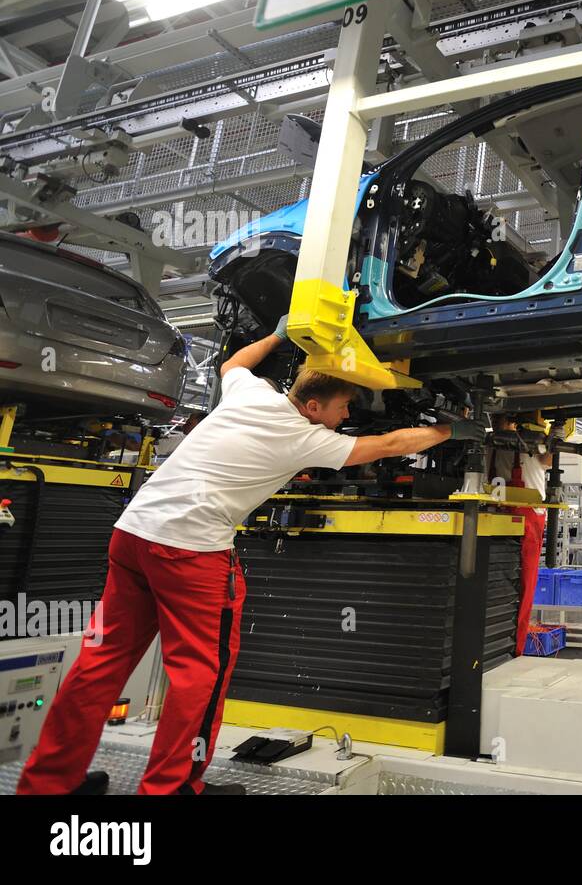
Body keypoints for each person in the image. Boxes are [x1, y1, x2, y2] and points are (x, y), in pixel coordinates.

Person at [18, 317, 485, 795]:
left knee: (101, 661)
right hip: (190, 552)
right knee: (199, 675)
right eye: (343, 406)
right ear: (311, 405)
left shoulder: (250, 392)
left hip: (133, 535)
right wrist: (451, 430)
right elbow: (387, 445)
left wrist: (279, 335)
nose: (346, 416)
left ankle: (49, 784)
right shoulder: (306, 438)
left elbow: (234, 362)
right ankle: (171, 788)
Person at [488, 414, 552, 655]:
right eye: (495, 420)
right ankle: (495, 644)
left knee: (525, 584)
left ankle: (517, 647)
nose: (498, 424)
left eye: (502, 420)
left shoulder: (530, 444)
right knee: (495, 580)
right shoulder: (487, 445)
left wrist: (554, 436)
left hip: (529, 519)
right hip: (495, 516)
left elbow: (548, 459)